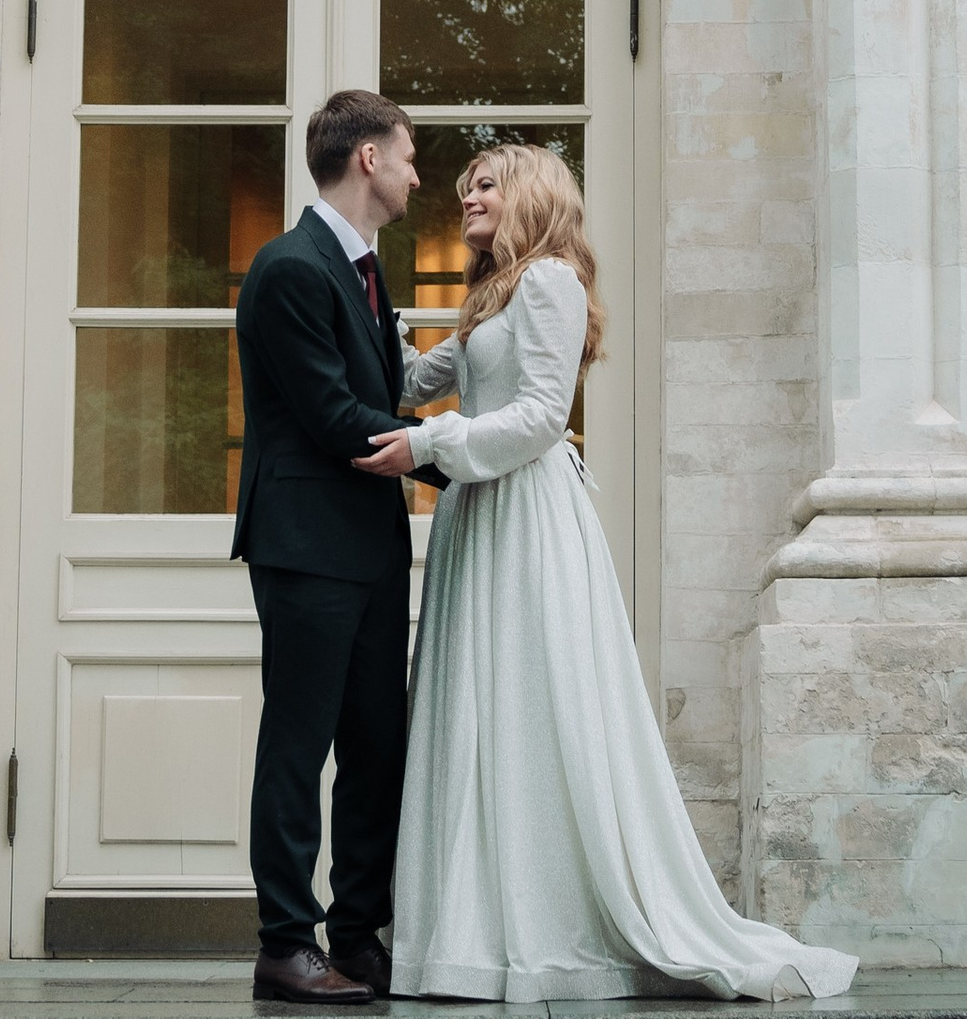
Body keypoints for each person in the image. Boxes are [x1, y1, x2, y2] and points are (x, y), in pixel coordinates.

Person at [353, 145, 857, 1006]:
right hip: (481, 517)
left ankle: (549, 927)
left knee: (531, 703)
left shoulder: (549, 281)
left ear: (532, 198)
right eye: (465, 186)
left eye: (486, 184)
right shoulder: (487, 301)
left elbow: (542, 417)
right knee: (479, 706)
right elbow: (408, 379)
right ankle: (471, 932)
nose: (467, 196)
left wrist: (431, 444)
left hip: (529, 514)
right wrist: (362, 309)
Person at [233, 88, 420, 1004]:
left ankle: (358, 935)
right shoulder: (290, 269)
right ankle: (283, 941)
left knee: (377, 746)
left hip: (375, 550)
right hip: (306, 545)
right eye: (411, 156)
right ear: (371, 159)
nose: (420, 175)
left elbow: (376, 399)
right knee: (298, 745)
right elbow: (334, 417)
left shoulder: (368, 274)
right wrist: (457, 457)